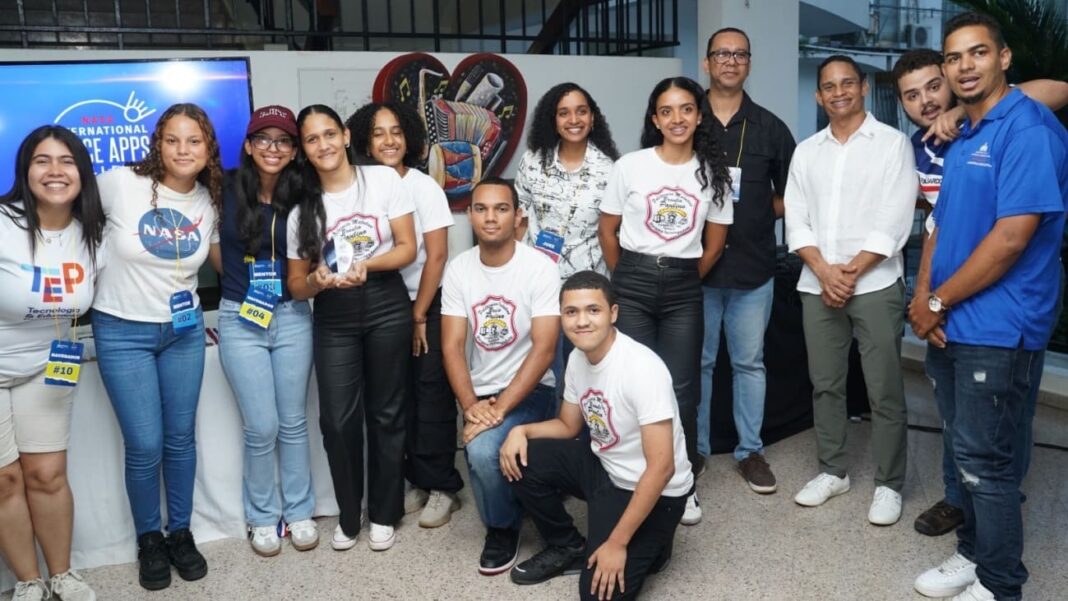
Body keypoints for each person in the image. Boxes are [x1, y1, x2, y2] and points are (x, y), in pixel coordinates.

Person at [910, 13, 1067, 601]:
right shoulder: (965, 132)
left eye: (977, 52)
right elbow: (940, 224)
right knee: (964, 452)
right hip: (951, 319)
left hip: (1000, 325)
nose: (964, 66)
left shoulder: (1028, 129)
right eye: (953, 57)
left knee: (987, 463)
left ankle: (1001, 586)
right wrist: (924, 300)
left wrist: (937, 300)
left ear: (1003, 59)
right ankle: (973, 554)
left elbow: (1011, 239)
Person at [92, 103, 222, 591]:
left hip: (183, 332)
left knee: (180, 438)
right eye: (173, 140)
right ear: (158, 145)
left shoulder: (209, 200)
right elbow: (64, 214)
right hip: (122, 330)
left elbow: (223, 260)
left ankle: (180, 533)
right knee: (145, 444)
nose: (183, 150)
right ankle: (149, 539)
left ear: (208, 148)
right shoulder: (120, 183)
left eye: (194, 141)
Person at [501, 271, 693, 600]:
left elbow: (662, 468)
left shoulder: (642, 369)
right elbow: (568, 426)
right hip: (605, 467)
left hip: (654, 490)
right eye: (571, 312)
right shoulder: (578, 357)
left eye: (593, 310)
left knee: (596, 595)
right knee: (519, 455)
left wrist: (617, 544)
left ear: (613, 313)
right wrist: (520, 431)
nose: (581, 321)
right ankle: (566, 545)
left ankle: (655, 541)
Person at [784, 56, 917, 526]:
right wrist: (825, 272)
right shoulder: (807, 152)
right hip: (816, 284)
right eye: (829, 86)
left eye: (847, 83)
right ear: (818, 96)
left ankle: (889, 484)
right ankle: (833, 471)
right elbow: (796, 219)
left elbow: (894, 220)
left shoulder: (893, 144)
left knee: (884, 389)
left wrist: (847, 274)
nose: (838, 92)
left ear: (863, 87)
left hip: (876, 283)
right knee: (825, 384)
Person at [598, 76, 733, 526]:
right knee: (633, 385)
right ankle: (633, 478)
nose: (677, 119)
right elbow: (607, 231)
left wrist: (680, 277)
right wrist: (626, 278)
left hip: (683, 288)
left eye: (686, 109)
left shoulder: (712, 172)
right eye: (667, 111)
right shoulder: (631, 166)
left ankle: (682, 483)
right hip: (631, 283)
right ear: (654, 119)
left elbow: (714, 245)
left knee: (681, 390)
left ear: (699, 115)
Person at [286, 104, 417, 553]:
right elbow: (296, 285)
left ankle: (383, 512)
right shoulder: (301, 210)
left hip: (386, 302)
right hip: (334, 314)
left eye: (329, 134)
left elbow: (408, 248)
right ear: (304, 150)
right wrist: (317, 281)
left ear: (345, 136)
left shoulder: (382, 180)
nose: (323, 144)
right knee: (337, 420)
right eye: (311, 139)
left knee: (387, 413)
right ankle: (348, 513)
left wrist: (367, 265)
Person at [346, 101, 463, 529]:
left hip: (427, 303)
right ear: (364, 141)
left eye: (396, 131)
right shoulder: (358, 186)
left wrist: (418, 314)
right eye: (378, 133)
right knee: (396, 397)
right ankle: (414, 477)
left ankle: (443, 485)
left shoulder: (422, 186)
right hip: (383, 306)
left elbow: (437, 256)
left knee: (431, 393)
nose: (389, 141)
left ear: (409, 137)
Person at [0, 126, 104, 601]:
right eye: (42, 161)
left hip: (48, 366)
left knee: (47, 475)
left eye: (67, 161)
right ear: (25, 171)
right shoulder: (4, 221)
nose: (55, 171)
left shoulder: (93, 233)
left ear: (82, 173)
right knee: (4, 480)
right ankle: (29, 581)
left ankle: (61, 574)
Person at [440, 177, 559, 576]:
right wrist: (471, 406)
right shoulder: (459, 270)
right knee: (483, 446)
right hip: (482, 392)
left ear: (517, 216)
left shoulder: (540, 267)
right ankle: (506, 519)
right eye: (481, 209)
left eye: (501, 208)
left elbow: (544, 349)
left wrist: (497, 410)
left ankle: (502, 527)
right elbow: (452, 346)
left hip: (532, 389)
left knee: (479, 450)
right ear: (470, 215)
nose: (490, 217)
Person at [216, 105, 319, 557]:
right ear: (248, 145)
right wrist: (237, 285)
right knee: (261, 427)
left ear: (294, 150)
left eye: (283, 141)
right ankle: (261, 517)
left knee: (293, 423)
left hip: (292, 315)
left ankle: (299, 512)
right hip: (241, 317)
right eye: (263, 139)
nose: (272, 148)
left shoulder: (305, 193)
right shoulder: (223, 189)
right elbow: (214, 248)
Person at [699, 27, 796, 494]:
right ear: (707, 63)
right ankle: (694, 450)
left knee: (749, 364)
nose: (731, 61)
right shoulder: (685, 118)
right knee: (697, 365)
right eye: (722, 53)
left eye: (740, 54)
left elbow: (794, 193)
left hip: (753, 266)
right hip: (696, 269)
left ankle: (750, 452)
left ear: (749, 64)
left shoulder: (771, 128)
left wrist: (758, 212)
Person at [514, 82, 620, 403]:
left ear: (592, 117)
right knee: (544, 370)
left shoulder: (611, 169)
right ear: (553, 119)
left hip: (588, 289)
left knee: (585, 375)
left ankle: (583, 430)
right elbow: (519, 221)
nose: (573, 120)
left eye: (581, 111)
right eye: (564, 113)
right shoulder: (533, 162)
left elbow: (613, 231)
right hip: (539, 285)